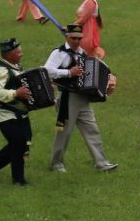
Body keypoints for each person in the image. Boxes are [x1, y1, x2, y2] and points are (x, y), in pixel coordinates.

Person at [46, 23, 117, 174]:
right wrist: (69, 73)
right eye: (74, 38)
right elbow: (47, 71)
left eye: (79, 38)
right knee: (64, 132)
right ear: (67, 37)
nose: (77, 41)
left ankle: (101, 162)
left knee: (92, 130)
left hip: (82, 98)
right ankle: (56, 163)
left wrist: (105, 85)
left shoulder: (82, 53)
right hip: (67, 98)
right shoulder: (59, 53)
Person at [0, 37, 36, 184]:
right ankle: (18, 180)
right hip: (6, 115)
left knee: (21, 142)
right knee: (18, 144)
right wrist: (15, 93)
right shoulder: (1, 71)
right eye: (18, 52)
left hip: (21, 113)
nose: (22, 54)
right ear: (8, 55)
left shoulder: (16, 66)